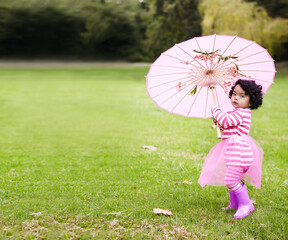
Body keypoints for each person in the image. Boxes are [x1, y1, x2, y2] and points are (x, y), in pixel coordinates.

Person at [198, 79, 263, 219]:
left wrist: (216, 111)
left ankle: (246, 204)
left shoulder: (242, 113)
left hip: (239, 154)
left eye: (242, 96)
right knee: (234, 178)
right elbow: (227, 126)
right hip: (234, 153)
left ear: (251, 101)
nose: (236, 97)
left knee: (230, 180)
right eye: (234, 93)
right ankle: (235, 203)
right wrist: (219, 122)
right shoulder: (238, 112)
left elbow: (226, 121)